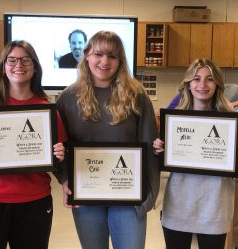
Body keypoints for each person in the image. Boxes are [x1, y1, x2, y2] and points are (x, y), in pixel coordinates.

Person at [56, 31, 160, 249]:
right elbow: (59, 146)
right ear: (87, 56)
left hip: (129, 195)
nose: (104, 61)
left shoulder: (137, 95)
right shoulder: (68, 97)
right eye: (98, 54)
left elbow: (149, 145)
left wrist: (150, 193)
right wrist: (65, 178)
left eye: (112, 56)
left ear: (120, 61)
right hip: (86, 194)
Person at [0, 40, 66, 249]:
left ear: (35, 67)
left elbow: (58, 152)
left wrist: (59, 153)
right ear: (3, 66)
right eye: (12, 60)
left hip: (33, 202)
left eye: (26, 60)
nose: (19, 65)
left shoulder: (47, 111)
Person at [153, 58, 238, 249]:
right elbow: (163, 162)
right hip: (178, 207)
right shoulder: (174, 121)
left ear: (217, 84)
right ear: (188, 84)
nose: (202, 84)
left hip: (214, 210)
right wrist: (158, 149)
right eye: (196, 78)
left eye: (209, 79)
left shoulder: (230, 123)